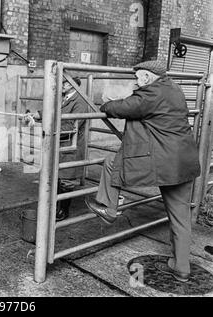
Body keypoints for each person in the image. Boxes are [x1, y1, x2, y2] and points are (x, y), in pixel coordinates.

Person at [85, 60, 200, 282]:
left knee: (112, 162)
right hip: (185, 162)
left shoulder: (150, 94)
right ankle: (181, 267)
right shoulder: (173, 89)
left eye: (138, 78)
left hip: (165, 162)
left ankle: (109, 208)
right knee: (180, 218)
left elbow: (119, 108)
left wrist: (105, 104)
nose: (136, 82)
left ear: (147, 77)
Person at [29, 76, 89, 221]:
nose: (61, 85)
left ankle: (63, 210)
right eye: (61, 82)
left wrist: (45, 128)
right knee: (56, 176)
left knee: (66, 180)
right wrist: (34, 115)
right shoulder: (63, 97)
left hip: (69, 145)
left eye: (65, 83)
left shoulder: (80, 101)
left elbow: (72, 126)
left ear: (74, 85)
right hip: (58, 142)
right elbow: (51, 111)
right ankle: (55, 207)